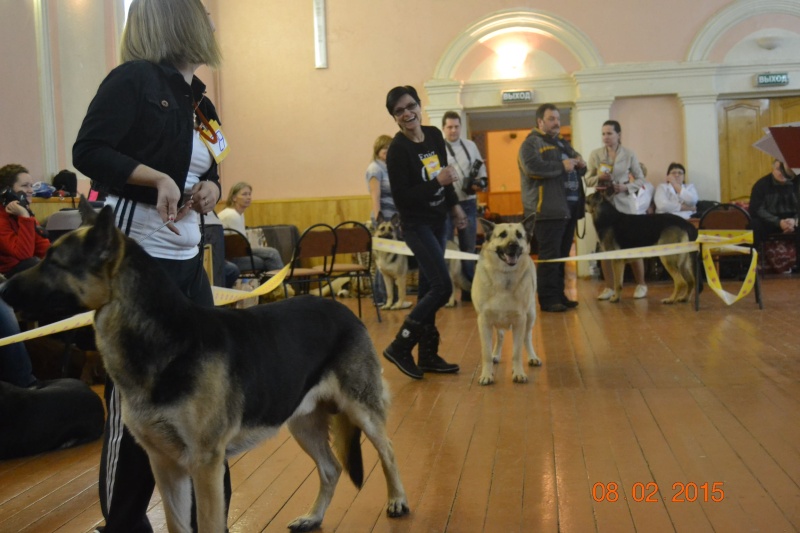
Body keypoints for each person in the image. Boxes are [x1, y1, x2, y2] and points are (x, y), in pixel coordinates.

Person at [71, 1, 231, 531]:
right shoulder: (134, 79)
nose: (212, 23)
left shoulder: (199, 101)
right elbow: (89, 149)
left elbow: (211, 168)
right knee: (136, 400)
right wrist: (153, 177)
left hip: (188, 258)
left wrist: (211, 189)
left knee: (208, 386)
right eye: (203, 13)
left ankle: (211, 517)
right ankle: (122, 521)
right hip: (136, 260)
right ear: (176, 21)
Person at [382, 85, 466, 380]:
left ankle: (428, 355)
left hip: (439, 221)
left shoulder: (433, 136)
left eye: (410, 106)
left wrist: (454, 208)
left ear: (419, 105)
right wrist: (437, 182)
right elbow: (403, 198)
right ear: (394, 118)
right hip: (416, 225)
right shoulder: (397, 150)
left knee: (431, 285)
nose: (407, 114)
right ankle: (400, 345)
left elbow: (445, 177)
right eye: (399, 111)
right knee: (442, 287)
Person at [519, 103, 586, 312]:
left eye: (558, 118)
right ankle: (548, 299)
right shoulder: (530, 144)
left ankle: (560, 294)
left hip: (567, 209)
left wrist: (581, 165)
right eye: (552, 119)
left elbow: (575, 167)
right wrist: (562, 166)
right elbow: (532, 168)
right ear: (540, 122)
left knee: (562, 256)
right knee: (549, 257)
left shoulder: (562, 143)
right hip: (546, 210)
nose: (557, 122)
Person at [585, 121, 649, 300]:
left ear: (619, 135)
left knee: (633, 244)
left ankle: (641, 284)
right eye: (603, 134)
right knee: (605, 246)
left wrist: (625, 187)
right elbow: (587, 180)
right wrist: (598, 177)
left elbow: (640, 178)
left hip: (624, 203)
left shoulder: (629, 154)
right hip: (603, 207)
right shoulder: (595, 154)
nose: (606, 137)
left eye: (609, 133)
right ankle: (610, 287)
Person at [441, 110, 487, 302]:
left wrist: (479, 183)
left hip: (468, 202)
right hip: (445, 205)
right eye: (450, 127)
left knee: (469, 247)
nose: (453, 130)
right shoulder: (438, 148)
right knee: (446, 248)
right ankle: (446, 292)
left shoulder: (470, 145)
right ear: (443, 128)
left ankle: (470, 291)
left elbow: (481, 172)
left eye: (457, 126)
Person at [217, 182, 284, 272]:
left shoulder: (238, 214)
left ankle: (276, 285)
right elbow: (241, 247)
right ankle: (279, 285)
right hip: (229, 258)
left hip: (235, 254)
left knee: (270, 256)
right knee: (272, 254)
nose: (248, 197)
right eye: (244, 194)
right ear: (234, 198)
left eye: (249, 194)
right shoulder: (232, 215)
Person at [0, 164, 50, 277]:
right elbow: (23, 255)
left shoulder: (25, 215)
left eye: (31, 186)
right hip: (7, 277)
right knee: (32, 264)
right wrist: (24, 216)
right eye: (25, 186)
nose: (30, 190)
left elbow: (44, 249)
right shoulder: (4, 218)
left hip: (26, 273)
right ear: (6, 191)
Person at [749, 159, 800, 269]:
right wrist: (778, 222)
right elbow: (756, 209)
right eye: (778, 169)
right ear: (772, 169)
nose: (781, 173)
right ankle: (750, 263)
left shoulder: (797, 183)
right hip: (770, 221)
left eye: (785, 170)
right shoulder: (761, 185)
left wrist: (795, 221)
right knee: (754, 224)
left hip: (793, 220)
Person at [365, 134, 396, 306]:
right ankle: (381, 297)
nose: (387, 151)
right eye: (385, 148)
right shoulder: (374, 169)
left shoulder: (387, 167)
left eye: (390, 148)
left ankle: (390, 297)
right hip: (383, 221)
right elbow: (375, 196)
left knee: (390, 259)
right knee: (382, 261)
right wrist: (379, 223)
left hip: (392, 219)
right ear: (377, 150)